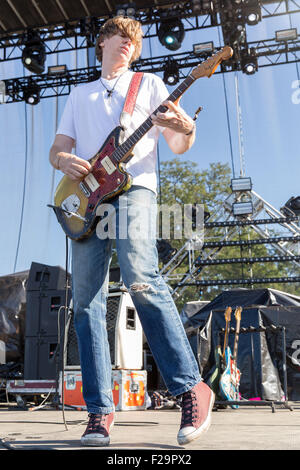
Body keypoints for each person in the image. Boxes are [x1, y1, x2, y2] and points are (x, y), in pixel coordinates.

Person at [49, 16, 214, 447]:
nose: (127, 43)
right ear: (102, 41)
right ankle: (99, 412)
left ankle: (191, 387)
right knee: (85, 304)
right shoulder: (79, 93)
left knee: (142, 277)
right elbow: (58, 148)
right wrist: (64, 161)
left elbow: (178, 143)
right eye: (120, 36)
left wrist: (187, 128)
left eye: (134, 41)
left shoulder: (150, 84)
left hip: (134, 188)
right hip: (85, 200)